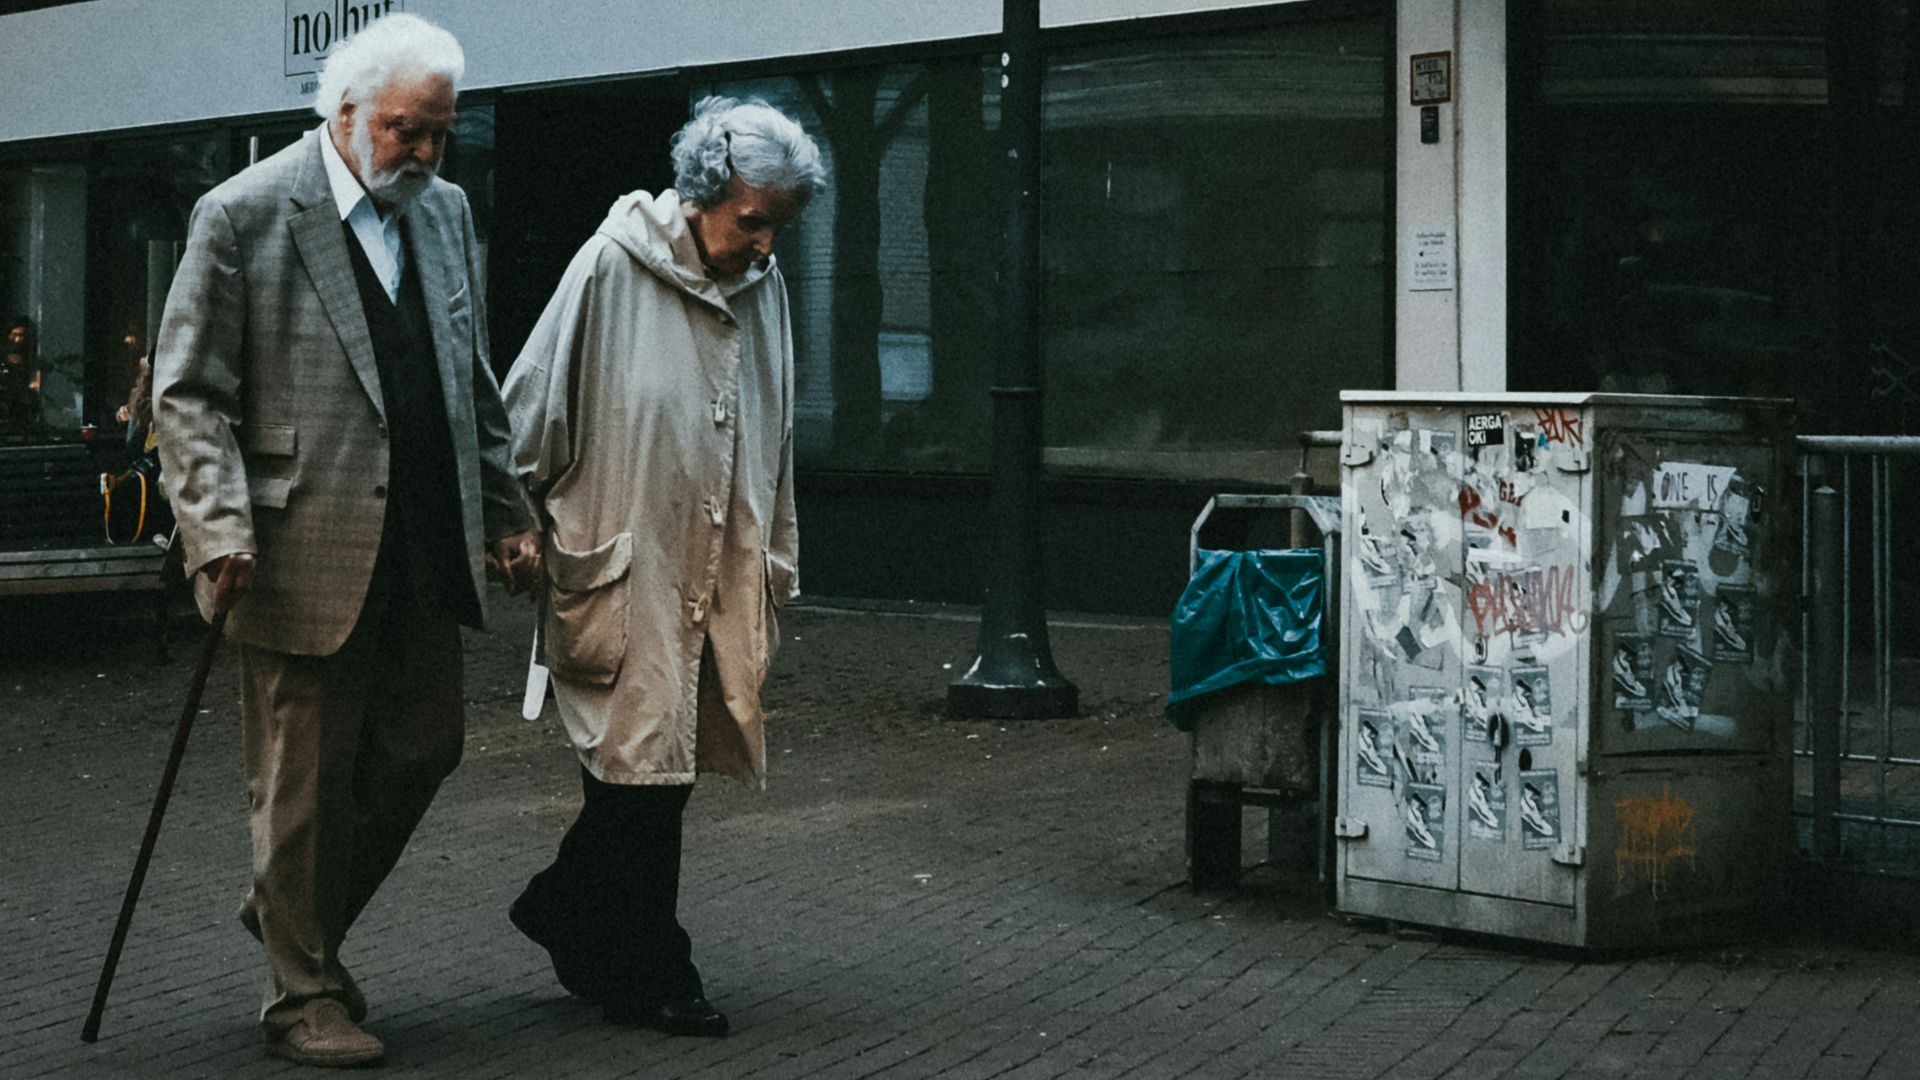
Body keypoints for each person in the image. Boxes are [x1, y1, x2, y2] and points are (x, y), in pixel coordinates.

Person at [152, 14, 537, 1067]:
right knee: (305, 784)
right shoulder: (243, 214)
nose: (424, 153)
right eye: (408, 131)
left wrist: (506, 513)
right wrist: (216, 526)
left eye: (439, 135)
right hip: (291, 547)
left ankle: (288, 913)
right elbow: (185, 394)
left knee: (427, 746)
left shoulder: (446, 211)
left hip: (422, 538)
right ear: (347, 112)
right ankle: (302, 994)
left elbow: (471, 376)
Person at [500, 95, 824, 1038]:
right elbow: (531, 400)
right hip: (626, 549)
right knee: (641, 764)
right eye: (752, 220)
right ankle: (652, 968)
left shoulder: (766, 291)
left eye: (779, 226)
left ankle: (570, 912)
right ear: (702, 195)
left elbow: (780, 429)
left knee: (660, 764)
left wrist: (779, 550)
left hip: (719, 559)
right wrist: (513, 515)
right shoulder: (611, 265)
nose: (765, 245)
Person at [1, 316, 41, 435]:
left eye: (22, 336)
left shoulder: (31, 361)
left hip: (24, 413)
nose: (18, 340)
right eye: (14, 334)